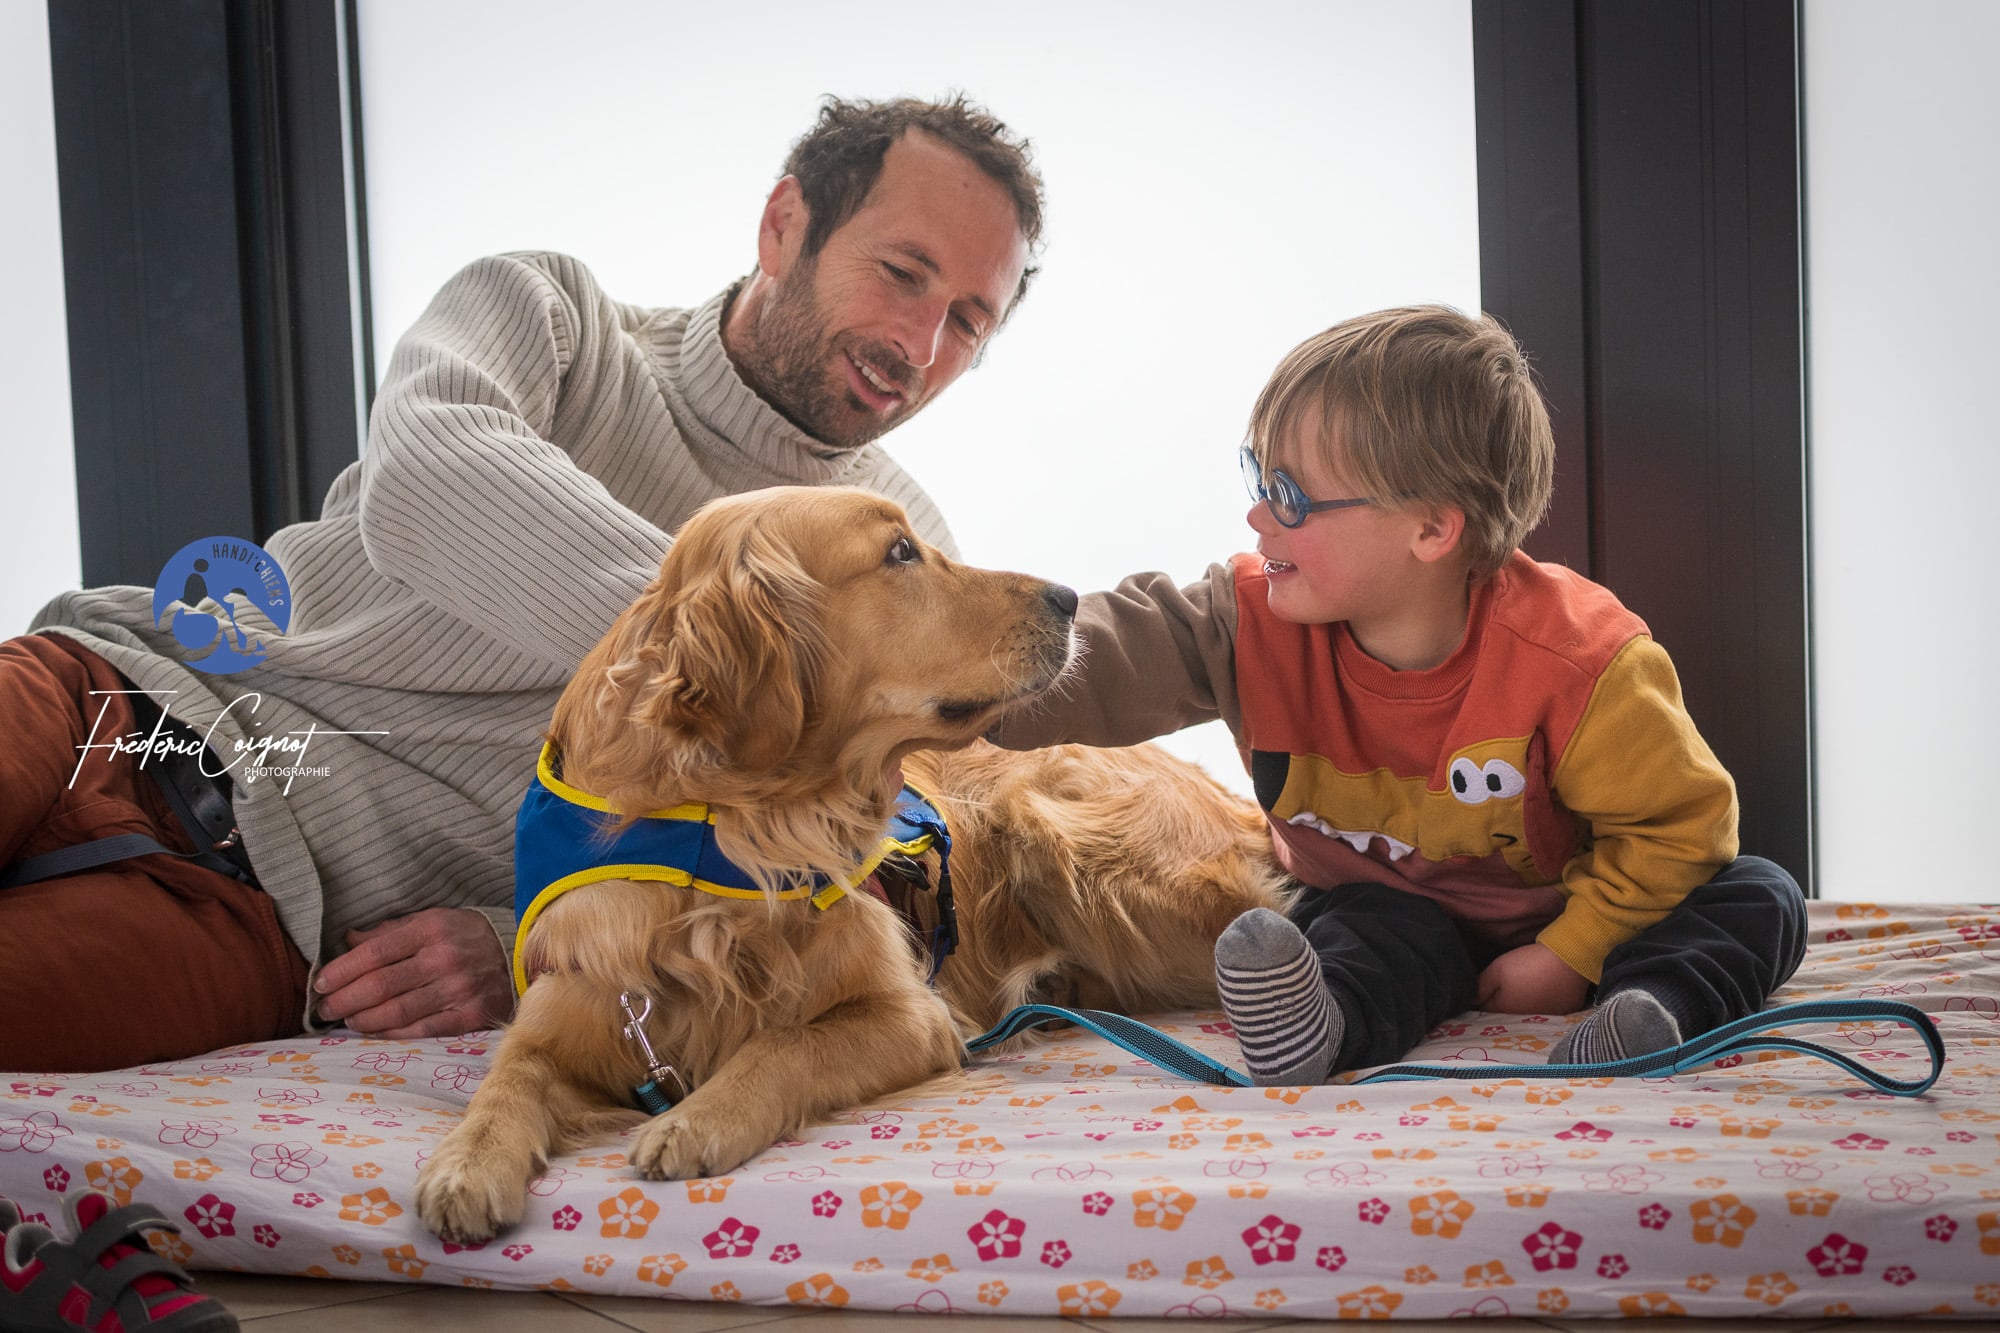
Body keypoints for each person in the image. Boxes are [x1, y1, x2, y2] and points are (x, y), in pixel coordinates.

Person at [0, 94, 1042, 1071]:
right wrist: (754, 652)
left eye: (966, 322)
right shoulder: (557, 321)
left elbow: (819, 861)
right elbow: (421, 483)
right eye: (903, 272)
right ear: (783, 225)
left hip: (268, 917)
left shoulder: (911, 551)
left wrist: (527, 943)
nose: (917, 344)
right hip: (111, 699)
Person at [989, 307, 1806, 1083]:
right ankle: (1323, 1023)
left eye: (1291, 497)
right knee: (1353, 930)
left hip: (1578, 908)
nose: (1256, 516)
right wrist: (949, 689)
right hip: (1388, 913)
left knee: (1759, 894)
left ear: (1431, 530)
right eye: (1258, 478)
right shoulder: (1243, 622)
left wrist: (1570, 955)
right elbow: (1103, 655)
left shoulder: (1582, 661)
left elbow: (1682, 831)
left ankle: (1650, 1012)